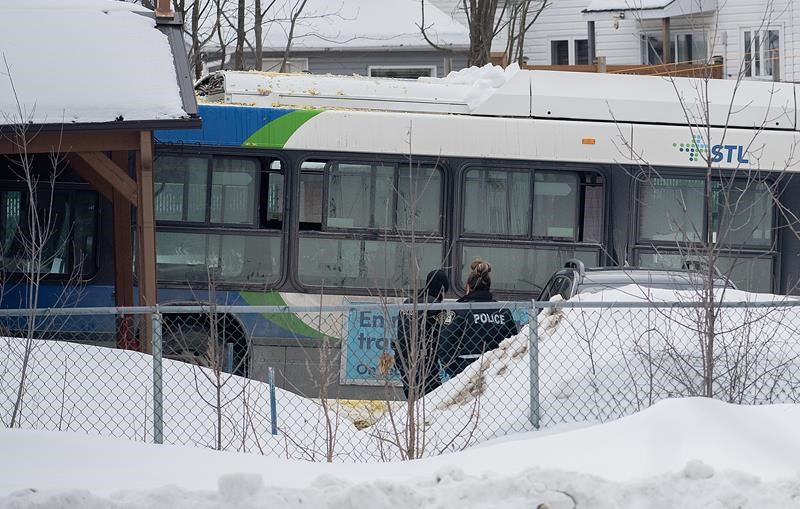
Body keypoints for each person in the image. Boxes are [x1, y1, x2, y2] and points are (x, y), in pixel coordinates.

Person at [438, 259, 518, 378]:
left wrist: (456, 372)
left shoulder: (456, 310)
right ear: (488, 287)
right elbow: (513, 343)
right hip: (495, 374)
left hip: (464, 372)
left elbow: (444, 345)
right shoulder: (503, 311)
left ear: (469, 287)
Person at [394, 269, 449, 399]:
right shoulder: (435, 306)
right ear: (441, 289)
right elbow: (446, 329)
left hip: (403, 359)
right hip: (425, 360)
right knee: (433, 399)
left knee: (414, 398)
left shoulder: (409, 302)